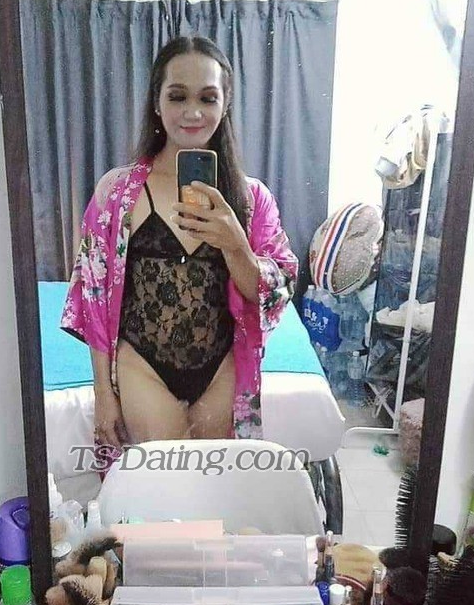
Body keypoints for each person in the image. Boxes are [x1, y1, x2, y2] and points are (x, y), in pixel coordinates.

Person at [61, 35, 298, 450]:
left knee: (212, 481)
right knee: (166, 479)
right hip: (142, 364)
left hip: (221, 367)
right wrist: (103, 393)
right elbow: (92, 294)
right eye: (177, 96)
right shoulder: (117, 193)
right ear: (157, 102)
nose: (192, 112)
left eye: (208, 98)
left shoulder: (251, 199)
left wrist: (235, 245)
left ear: (225, 104)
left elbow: (275, 290)